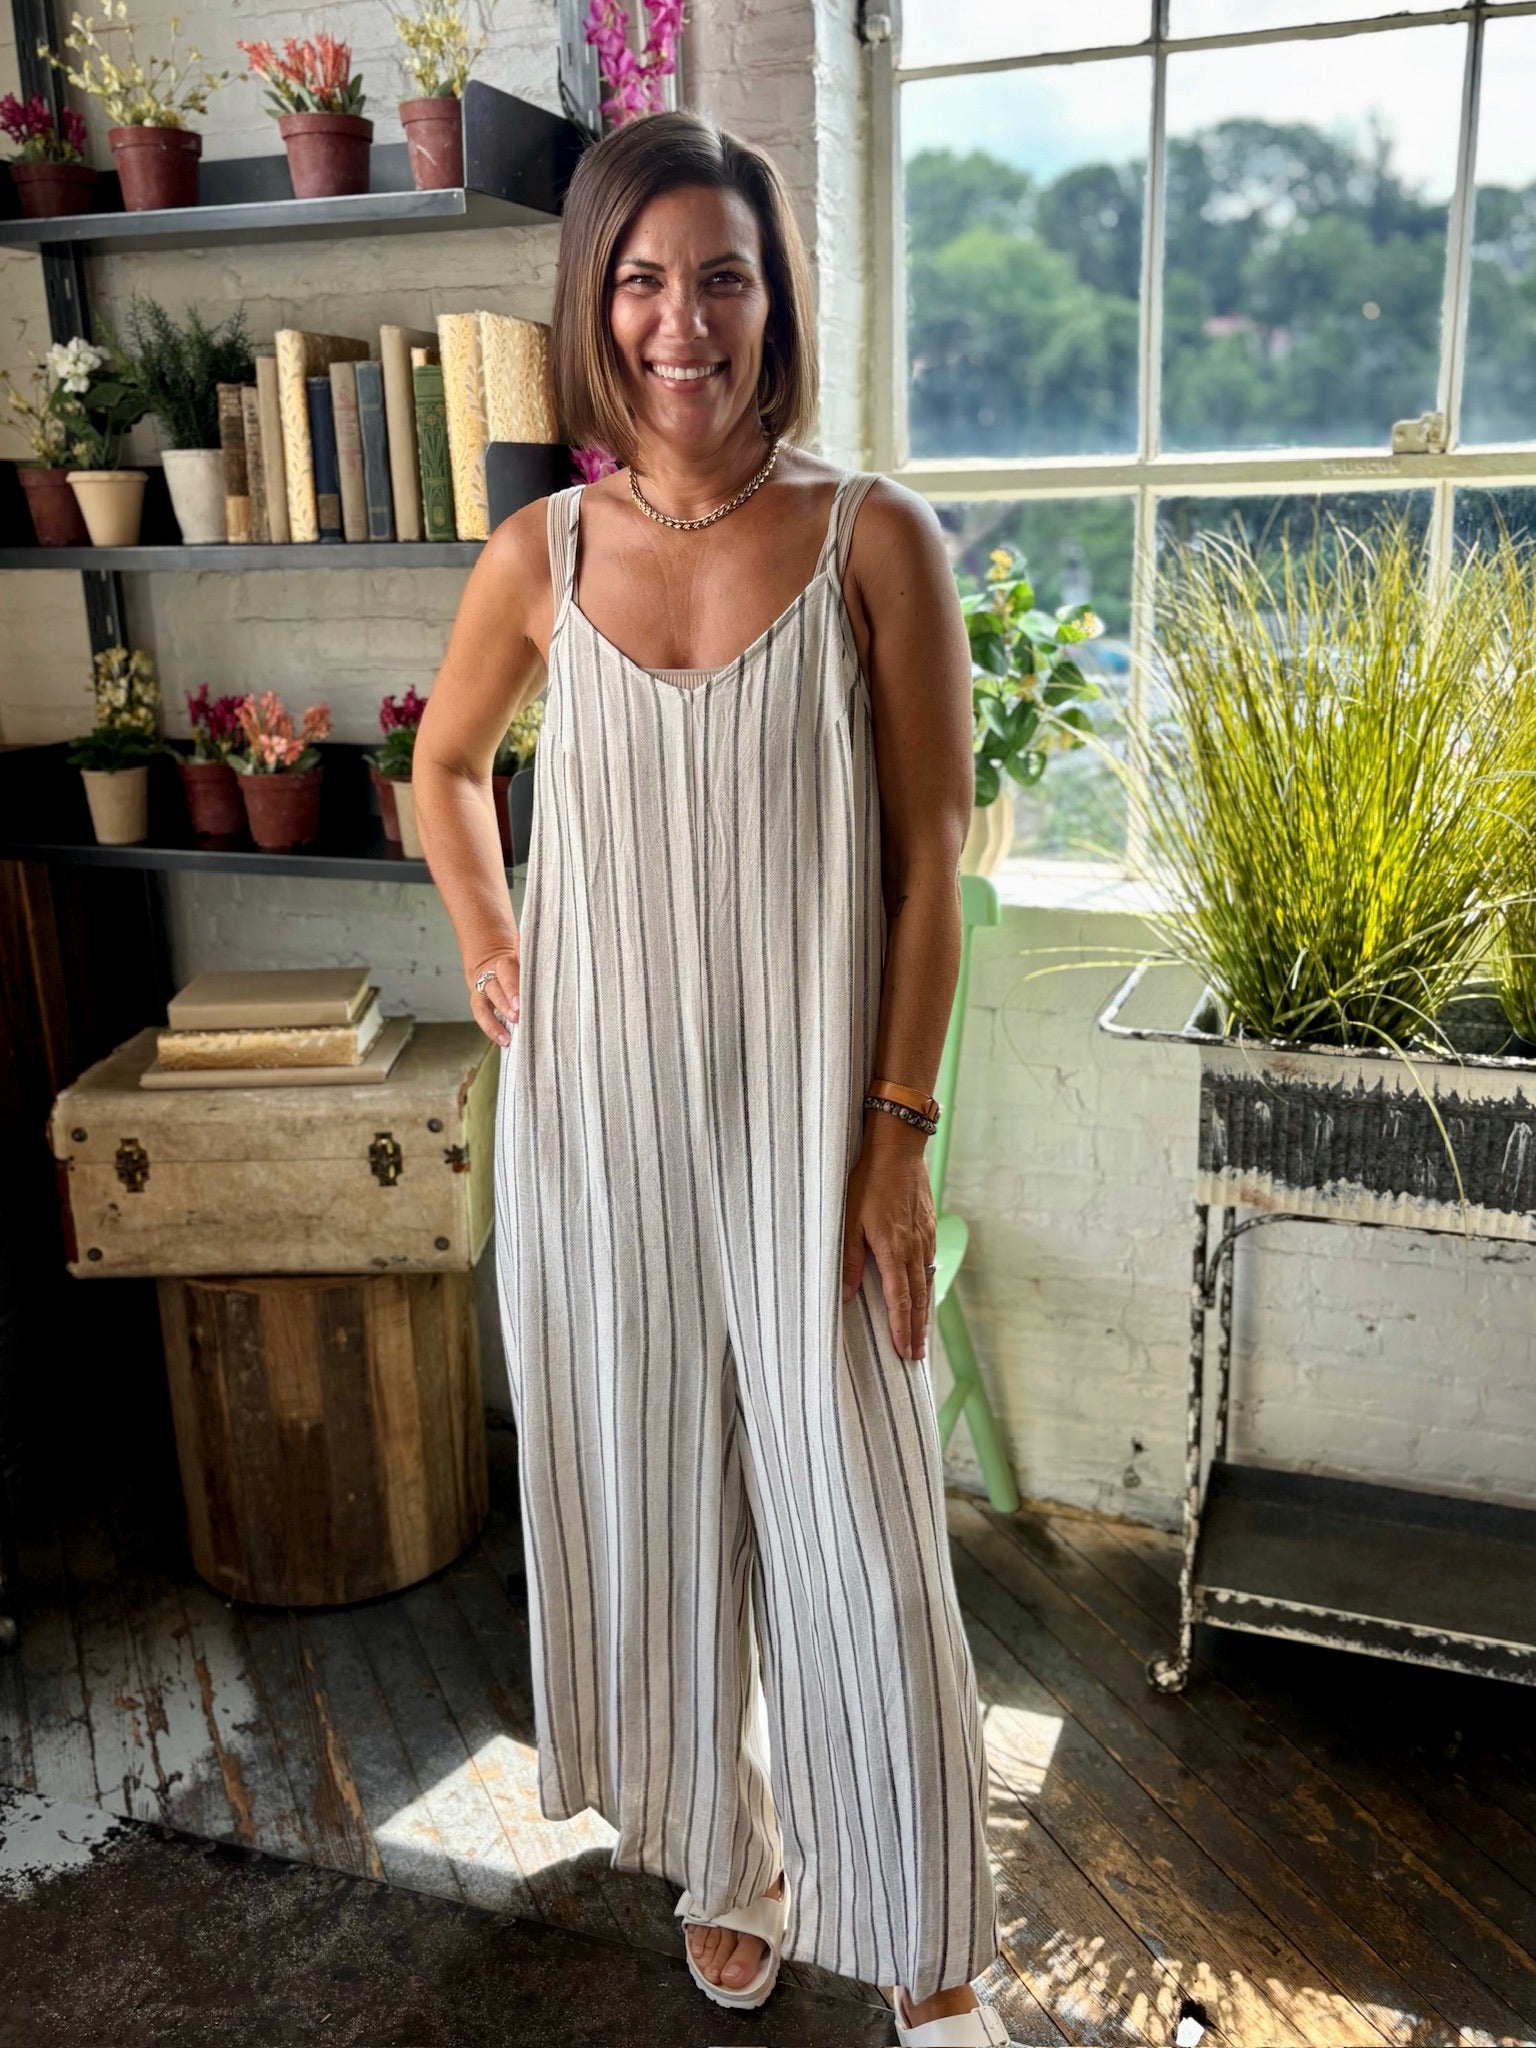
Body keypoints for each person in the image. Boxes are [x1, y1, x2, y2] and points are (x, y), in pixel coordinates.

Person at [411, 108, 1013, 2048]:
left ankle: (929, 1945)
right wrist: (492, 941)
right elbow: (442, 771)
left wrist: (897, 1137)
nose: (686, 320)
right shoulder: (541, 554)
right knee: (654, 1512)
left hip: (817, 1128)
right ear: (595, 305)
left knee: (860, 1528)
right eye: (645, 279)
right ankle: (725, 1853)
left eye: (725, 276)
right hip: (596, 1127)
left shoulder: (870, 537)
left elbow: (931, 852)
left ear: (775, 301)